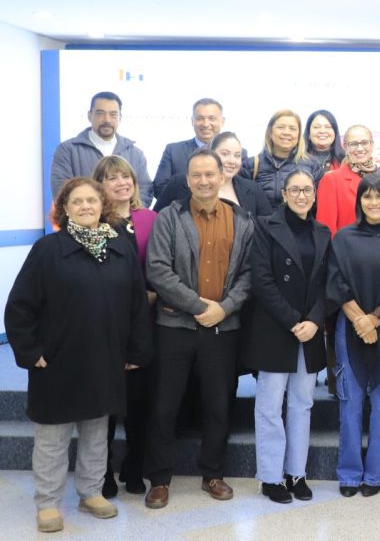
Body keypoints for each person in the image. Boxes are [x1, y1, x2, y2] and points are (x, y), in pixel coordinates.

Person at [5, 178, 153, 533]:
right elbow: (20, 306)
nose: (86, 206)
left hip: (105, 358)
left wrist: (135, 351)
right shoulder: (47, 249)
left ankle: (90, 493)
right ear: (65, 209)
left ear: (102, 205)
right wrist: (31, 352)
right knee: (53, 440)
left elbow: (136, 306)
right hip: (57, 361)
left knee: (95, 432)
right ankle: (48, 503)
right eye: (77, 201)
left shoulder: (120, 248)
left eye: (92, 200)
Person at [143, 149, 256, 510]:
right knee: (164, 406)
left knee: (218, 405)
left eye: (210, 174)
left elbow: (250, 275)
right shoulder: (168, 218)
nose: (204, 181)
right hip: (174, 325)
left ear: (222, 175)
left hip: (223, 327)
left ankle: (213, 474)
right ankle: (159, 479)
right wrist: (199, 306)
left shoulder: (243, 220)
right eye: (196, 175)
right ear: (187, 179)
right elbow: (158, 270)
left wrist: (223, 308)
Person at [244, 170, 331, 505]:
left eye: (307, 189)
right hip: (275, 327)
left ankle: (296, 473)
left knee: (302, 404)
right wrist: (295, 320)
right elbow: (261, 281)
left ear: (314, 194)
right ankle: (270, 476)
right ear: (284, 193)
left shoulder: (322, 231)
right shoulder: (266, 226)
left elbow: (327, 283)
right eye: (295, 189)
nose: (301, 195)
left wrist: (314, 320)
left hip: (309, 329)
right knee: (269, 406)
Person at [327, 173, 380, 498]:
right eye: (367, 196)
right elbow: (336, 284)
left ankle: (375, 476)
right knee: (349, 405)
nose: (373, 202)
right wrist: (360, 320)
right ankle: (349, 476)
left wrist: (374, 321)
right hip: (349, 331)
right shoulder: (343, 238)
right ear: (359, 201)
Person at [92, 156, 157, 498]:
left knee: (139, 403)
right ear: (99, 185)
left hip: (145, 323)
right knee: (105, 406)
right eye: (112, 178)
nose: (121, 183)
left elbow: (163, 263)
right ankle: (102, 473)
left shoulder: (149, 219)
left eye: (126, 177)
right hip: (105, 326)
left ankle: (134, 469)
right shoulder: (93, 222)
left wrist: (153, 293)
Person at [50, 91, 152, 207]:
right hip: (86, 222)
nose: (107, 120)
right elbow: (61, 191)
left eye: (113, 114)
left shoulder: (135, 153)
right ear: (89, 115)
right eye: (100, 113)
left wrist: (126, 217)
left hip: (126, 222)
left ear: (120, 118)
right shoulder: (68, 150)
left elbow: (145, 191)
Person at [154, 131, 271, 217]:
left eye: (237, 155)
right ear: (212, 154)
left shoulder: (253, 189)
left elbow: (265, 228)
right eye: (225, 154)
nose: (232, 161)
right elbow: (156, 219)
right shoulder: (179, 183)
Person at [153, 98, 227, 200]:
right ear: (192, 121)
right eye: (200, 118)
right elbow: (159, 188)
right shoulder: (173, 151)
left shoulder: (235, 155)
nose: (205, 124)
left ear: (222, 121)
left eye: (212, 118)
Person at [244, 109, 316, 211]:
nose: (286, 132)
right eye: (281, 127)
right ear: (270, 132)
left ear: (299, 135)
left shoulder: (312, 165)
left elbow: (318, 206)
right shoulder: (251, 165)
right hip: (261, 226)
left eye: (292, 128)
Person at [316, 124, 378, 236]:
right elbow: (325, 227)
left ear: (372, 145)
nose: (360, 148)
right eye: (353, 144)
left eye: (365, 143)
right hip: (345, 249)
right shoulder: (332, 180)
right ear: (345, 146)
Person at [304, 109, 343, 183]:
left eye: (328, 127)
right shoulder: (298, 160)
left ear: (335, 132)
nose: (322, 131)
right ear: (308, 133)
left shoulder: (345, 160)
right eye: (317, 127)